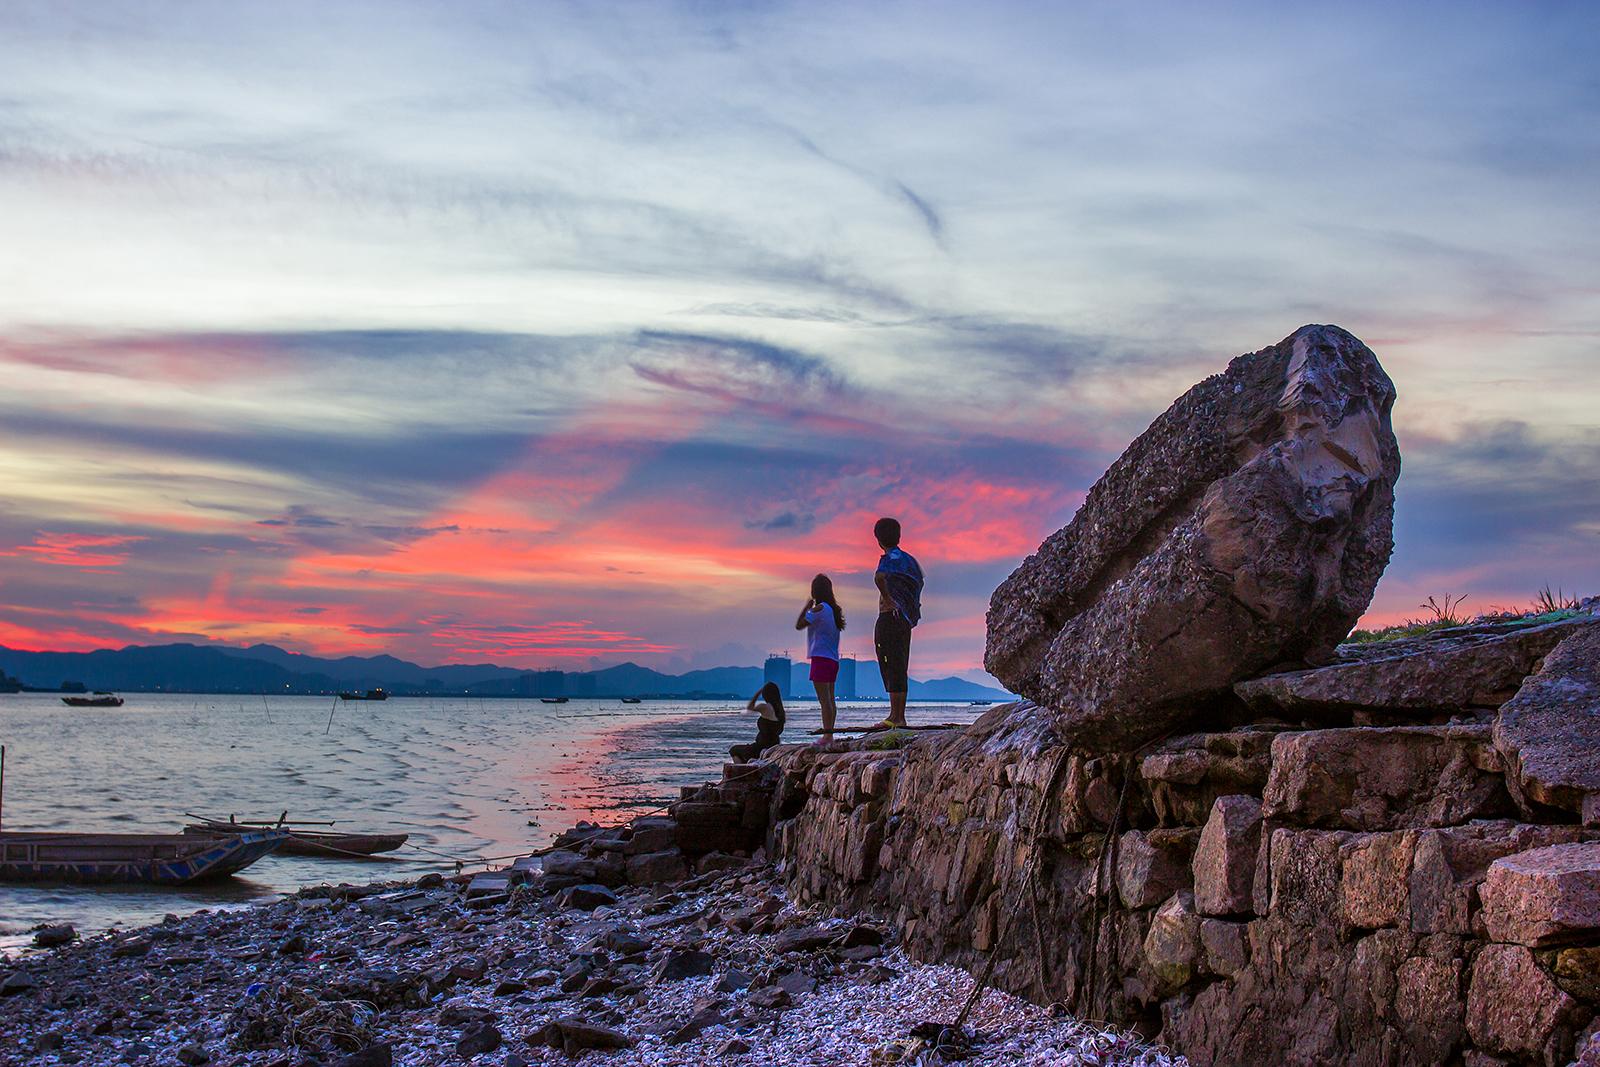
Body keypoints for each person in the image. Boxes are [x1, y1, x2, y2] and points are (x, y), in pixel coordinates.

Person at [872, 516, 923, 729]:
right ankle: (898, 715)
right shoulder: (910, 561)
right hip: (903, 619)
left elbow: (879, 577)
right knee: (900, 664)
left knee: (890, 662)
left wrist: (889, 598)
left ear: (878, 539)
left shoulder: (890, 558)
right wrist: (912, 608)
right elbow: (919, 582)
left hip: (890, 617)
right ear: (899, 536)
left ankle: (896, 716)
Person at [795, 573, 844, 741]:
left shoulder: (820, 609)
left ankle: (827, 735)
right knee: (830, 699)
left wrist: (806, 607)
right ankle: (829, 733)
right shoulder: (834, 611)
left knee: (824, 700)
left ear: (815, 591)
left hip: (821, 657)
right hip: (832, 659)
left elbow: (799, 625)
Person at [730, 681, 786, 763]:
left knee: (734, 750)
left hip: (761, 747)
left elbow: (750, 707)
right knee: (743, 752)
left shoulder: (764, 707)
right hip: (774, 745)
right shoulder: (781, 711)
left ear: (765, 695)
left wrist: (758, 693)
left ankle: (742, 768)